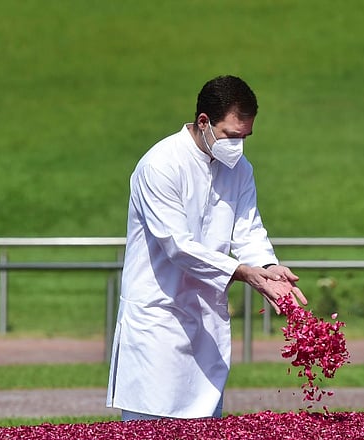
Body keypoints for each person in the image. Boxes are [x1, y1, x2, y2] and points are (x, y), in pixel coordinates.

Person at [106, 75, 307, 421]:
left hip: (206, 322)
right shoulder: (160, 165)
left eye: (246, 137)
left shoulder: (239, 168)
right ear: (204, 122)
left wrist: (268, 267)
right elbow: (176, 246)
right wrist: (242, 272)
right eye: (232, 135)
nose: (239, 146)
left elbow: (247, 228)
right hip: (158, 319)